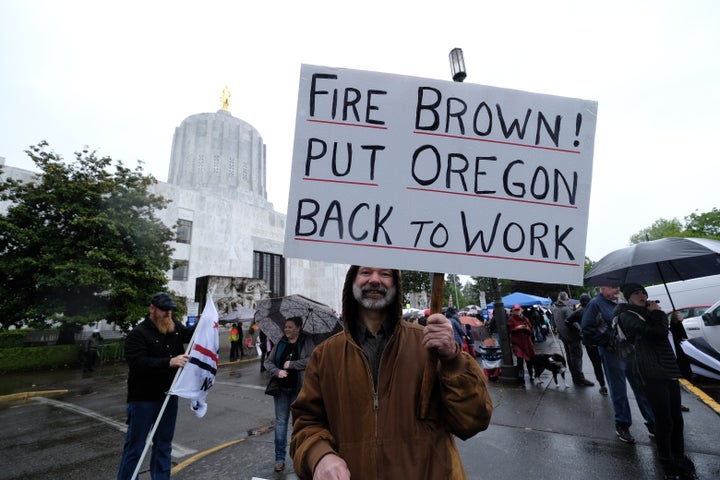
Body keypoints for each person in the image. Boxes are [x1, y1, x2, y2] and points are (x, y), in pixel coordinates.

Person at [290, 266, 493, 479]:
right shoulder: (325, 355)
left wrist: (452, 360)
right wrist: (320, 456)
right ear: (351, 282)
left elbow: (473, 421)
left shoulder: (429, 345)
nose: (375, 280)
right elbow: (306, 423)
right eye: (366, 272)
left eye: (385, 274)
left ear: (396, 285)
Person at [615, 283, 696, 480]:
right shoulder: (626, 316)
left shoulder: (649, 314)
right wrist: (659, 315)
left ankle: (679, 457)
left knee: (677, 418)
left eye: (643, 292)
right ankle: (666, 462)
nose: (642, 295)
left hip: (668, 369)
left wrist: (675, 322)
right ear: (627, 297)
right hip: (649, 372)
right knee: (664, 420)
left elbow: (669, 338)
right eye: (636, 293)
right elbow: (655, 333)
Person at [117, 292, 193, 480]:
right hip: (143, 398)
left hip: (168, 396)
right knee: (135, 446)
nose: (168, 314)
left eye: (170, 310)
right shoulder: (138, 333)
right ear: (152, 308)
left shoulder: (173, 326)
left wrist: (210, 322)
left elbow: (191, 335)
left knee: (164, 445)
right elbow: (138, 363)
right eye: (164, 310)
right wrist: (169, 362)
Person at [581, 286, 655, 444]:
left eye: (617, 287)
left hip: (630, 350)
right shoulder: (596, 304)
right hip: (612, 352)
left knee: (641, 386)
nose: (616, 289)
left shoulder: (621, 301)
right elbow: (587, 328)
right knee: (618, 389)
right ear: (601, 287)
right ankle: (622, 424)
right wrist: (608, 341)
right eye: (612, 287)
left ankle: (652, 423)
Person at [264, 316, 314, 472]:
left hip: (299, 390)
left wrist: (292, 364)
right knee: (280, 424)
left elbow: (312, 359)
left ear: (298, 328)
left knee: (299, 425)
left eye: (290, 327)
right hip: (281, 391)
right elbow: (268, 362)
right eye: (285, 327)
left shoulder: (306, 342)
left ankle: (300, 458)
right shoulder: (281, 342)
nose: (286, 330)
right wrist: (277, 371)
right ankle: (279, 458)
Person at [567, 293, 608, 395]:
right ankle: (610, 384)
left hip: (590, 342)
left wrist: (577, 331)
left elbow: (567, 321)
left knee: (596, 364)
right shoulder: (597, 309)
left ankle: (603, 386)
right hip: (602, 340)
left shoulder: (579, 312)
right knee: (607, 363)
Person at [552, 292, 594, 387]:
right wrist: (580, 333)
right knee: (576, 358)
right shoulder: (566, 309)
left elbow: (554, 322)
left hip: (564, 337)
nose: (568, 301)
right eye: (567, 300)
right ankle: (579, 379)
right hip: (572, 337)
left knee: (570, 358)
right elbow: (573, 323)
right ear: (565, 299)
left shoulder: (554, 308)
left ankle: (575, 378)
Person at [507, 304, 535, 382]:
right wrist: (518, 328)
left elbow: (530, 329)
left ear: (521, 310)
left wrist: (527, 328)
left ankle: (531, 374)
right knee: (520, 359)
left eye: (518, 310)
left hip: (527, 342)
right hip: (517, 342)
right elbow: (510, 330)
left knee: (529, 359)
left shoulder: (525, 318)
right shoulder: (511, 319)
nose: (517, 311)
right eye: (515, 310)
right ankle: (521, 375)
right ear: (513, 311)